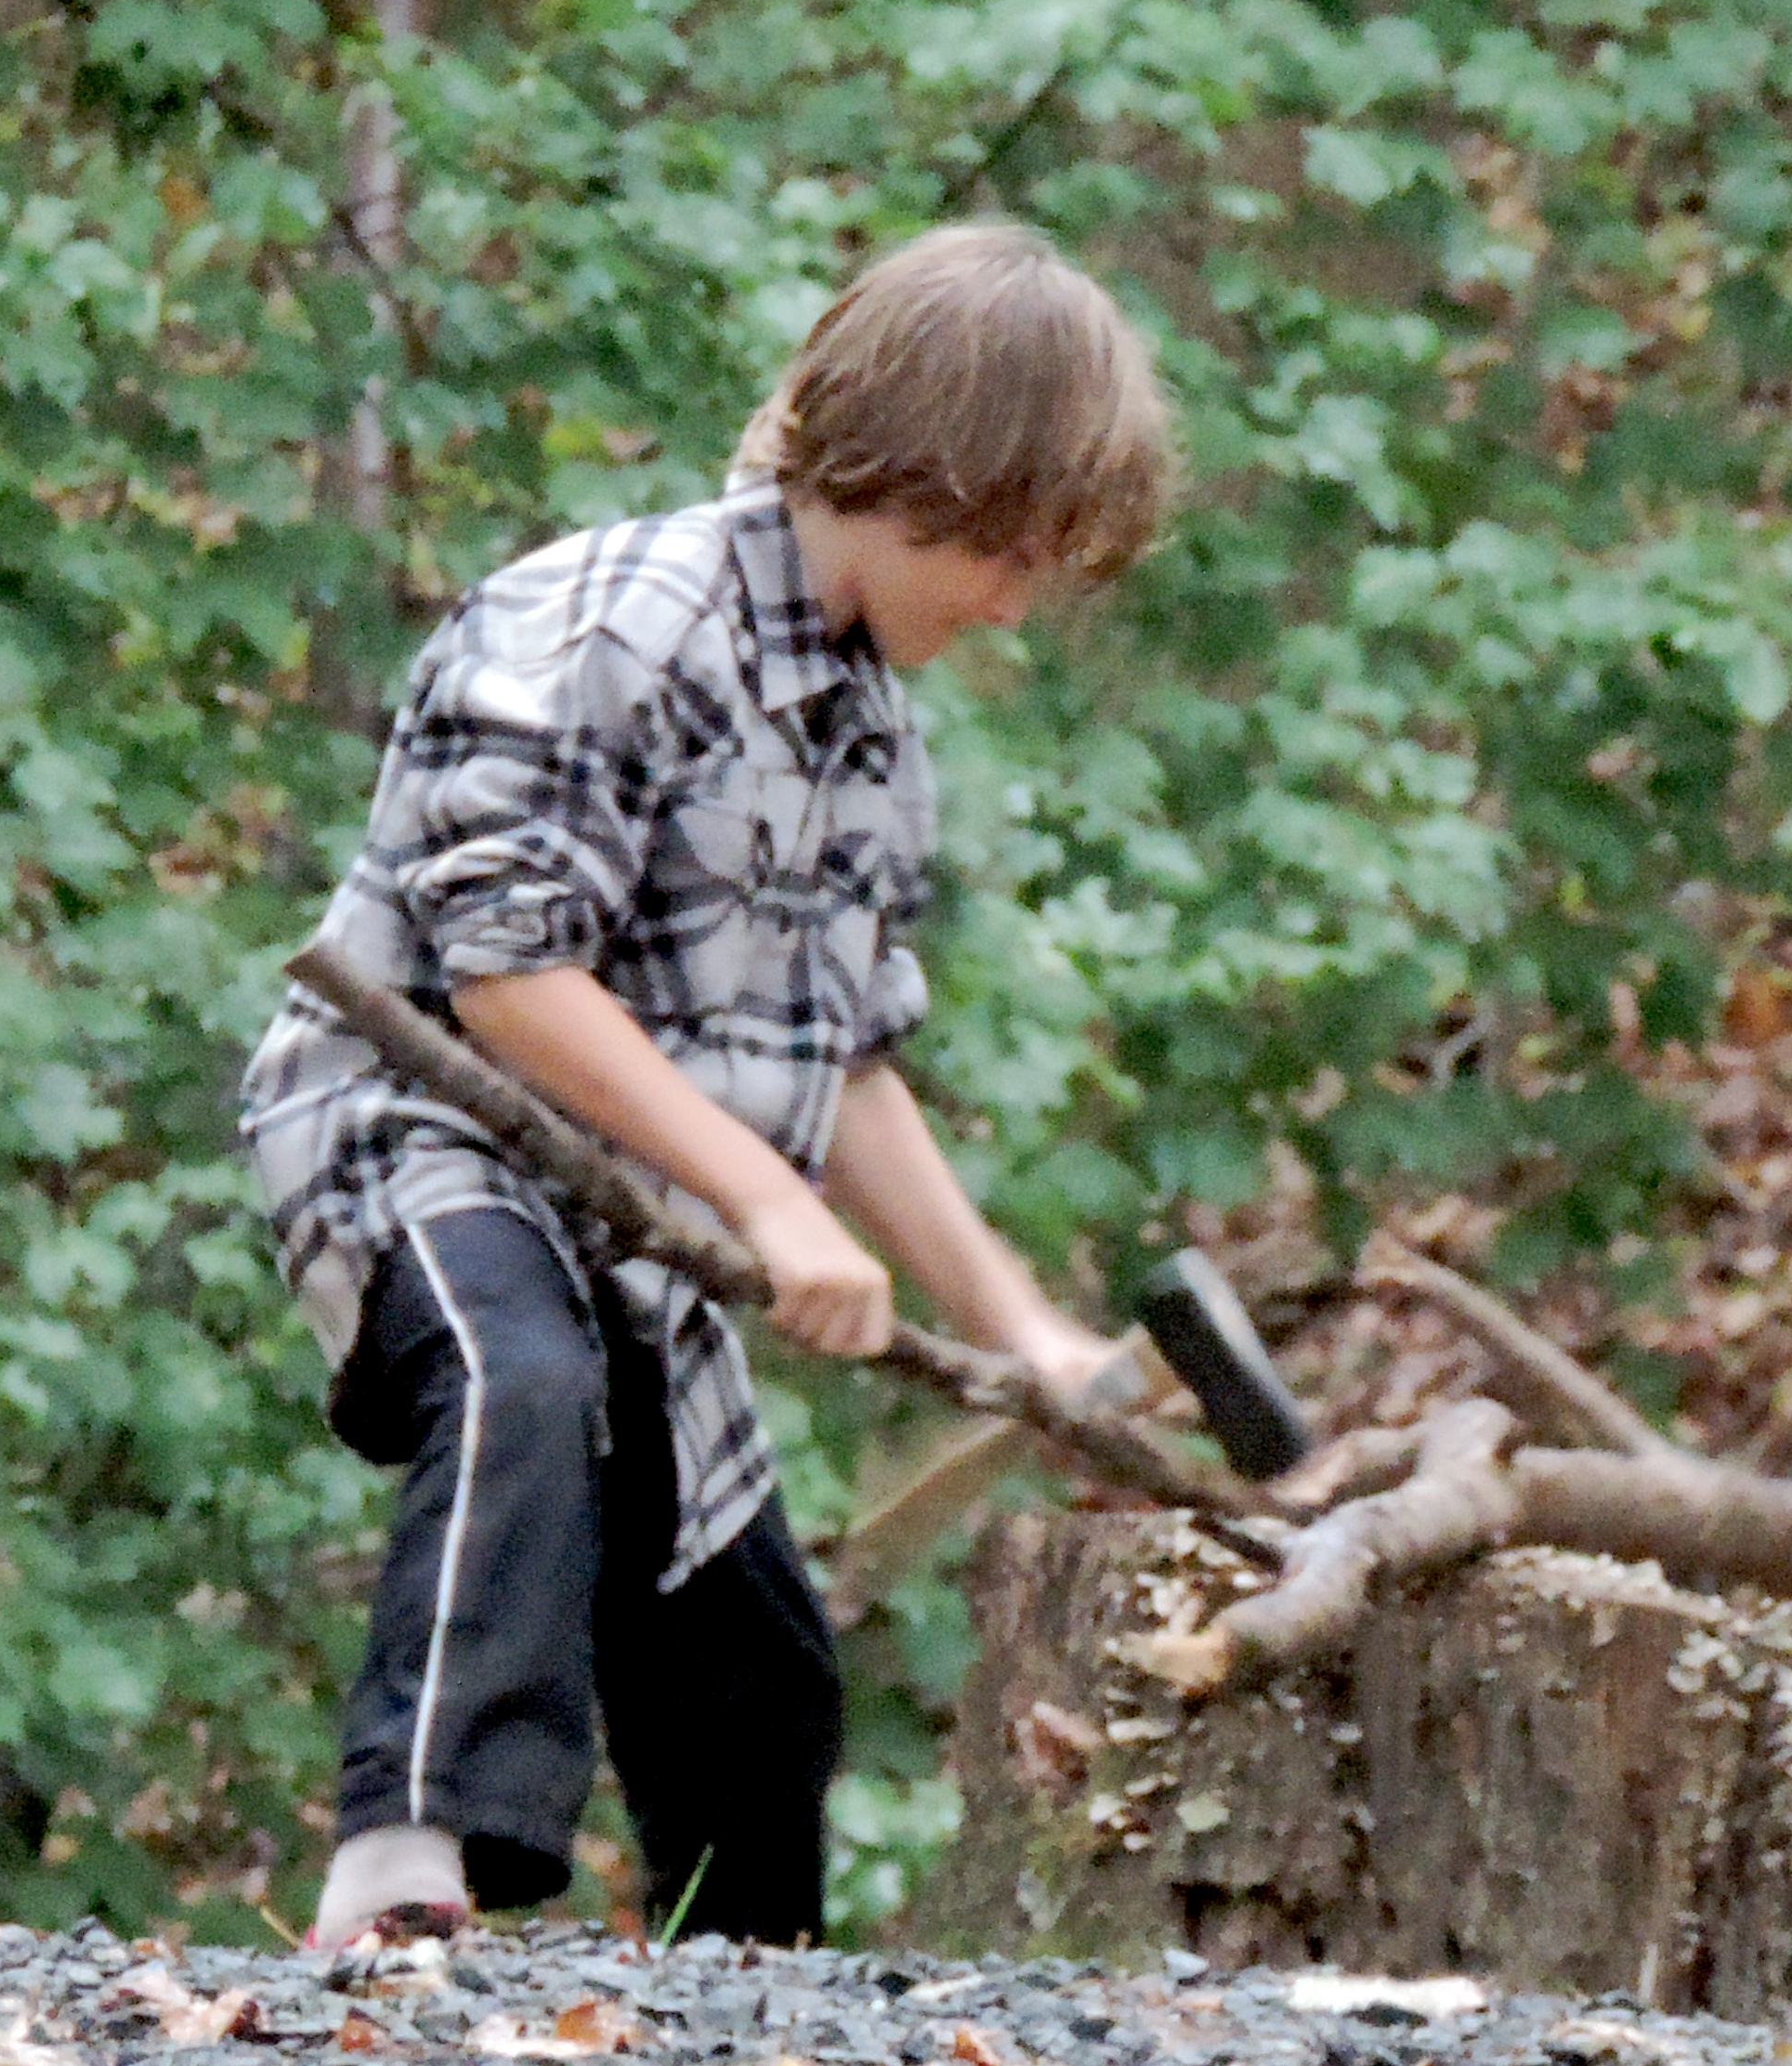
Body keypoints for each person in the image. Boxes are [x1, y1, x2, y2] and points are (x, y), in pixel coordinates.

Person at [241, 223, 1170, 1951]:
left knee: (759, 1673)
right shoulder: (610, 622)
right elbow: (511, 985)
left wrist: (1024, 1332)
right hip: (418, 1129)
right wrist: (757, 1196)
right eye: (1014, 555)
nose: (1017, 605)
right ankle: (399, 1875)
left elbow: (849, 1076)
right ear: (928, 476)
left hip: (634, 1225)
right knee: (516, 1382)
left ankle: (747, 2032)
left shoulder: (874, 742)